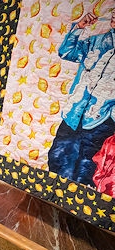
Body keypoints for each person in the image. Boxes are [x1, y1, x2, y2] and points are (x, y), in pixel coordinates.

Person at [48, 10, 115, 187]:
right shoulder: (97, 41)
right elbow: (66, 52)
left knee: (87, 170)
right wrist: (79, 27)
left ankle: (72, 211)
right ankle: (51, 199)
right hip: (74, 113)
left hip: (102, 121)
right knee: (58, 157)